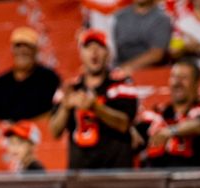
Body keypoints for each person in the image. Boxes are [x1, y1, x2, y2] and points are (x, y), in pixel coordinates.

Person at [48, 29, 139, 170]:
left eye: (99, 47)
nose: (94, 52)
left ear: (108, 53)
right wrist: (65, 107)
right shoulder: (69, 88)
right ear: (81, 53)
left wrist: (95, 107)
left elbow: (124, 124)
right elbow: (55, 131)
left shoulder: (122, 84)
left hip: (116, 172)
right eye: (88, 47)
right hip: (80, 173)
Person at [137, 58, 200, 167]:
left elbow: (199, 125)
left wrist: (171, 131)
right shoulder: (159, 114)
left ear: (197, 83)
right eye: (174, 77)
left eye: (184, 78)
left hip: (194, 177)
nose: (177, 83)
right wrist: (131, 131)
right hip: (152, 178)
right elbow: (138, 133)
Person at [0, 26, 62, 121]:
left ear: (36, 51)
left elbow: (55, 113)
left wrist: (24, 128)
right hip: (5, 133)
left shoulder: (49, 79)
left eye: (27, 46)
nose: (22, 50)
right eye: (18, 46)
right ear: (12, 50)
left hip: (39, 133)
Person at [113, 0, 172, 71]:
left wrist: (126, 68)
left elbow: (157, 54)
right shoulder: (120, 16)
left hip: (148, 71)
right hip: (119, 67)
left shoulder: (161, 19)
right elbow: (111, 47)